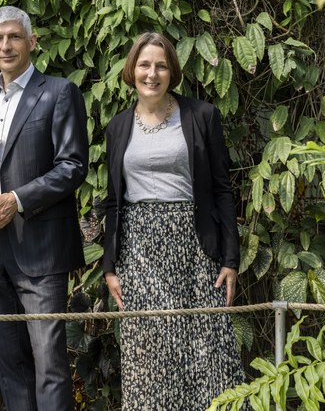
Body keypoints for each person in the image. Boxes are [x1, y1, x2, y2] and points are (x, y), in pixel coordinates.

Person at [102, 32, 244, 409]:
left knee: (208, 353)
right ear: (132, 70)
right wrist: (110, 266)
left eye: (161, 65)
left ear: (172, 72)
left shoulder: (201, 116)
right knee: (149, 356)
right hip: (138, 250)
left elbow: (221, 189)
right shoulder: (117, 127)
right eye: (145, 65)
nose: (153, 74)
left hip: (196, 246)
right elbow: (114, 201)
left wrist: (230, 260)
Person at [0, 6, 88, 411]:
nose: (6, 46)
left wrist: (18, 200)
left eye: (15, 37)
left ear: (32, 42)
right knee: (10, 365)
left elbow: (72, 166)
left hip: (41, 250)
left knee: (49, 362)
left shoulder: (58, 91)